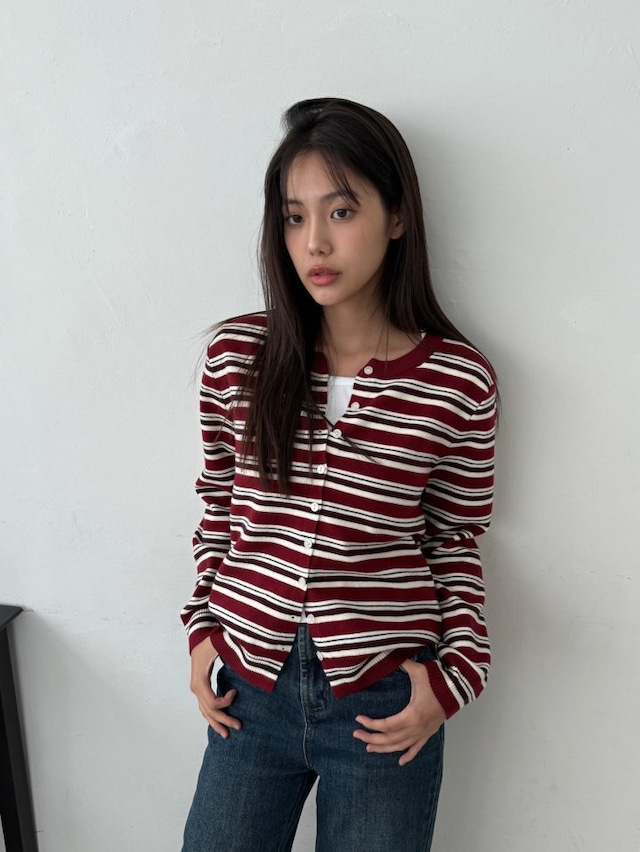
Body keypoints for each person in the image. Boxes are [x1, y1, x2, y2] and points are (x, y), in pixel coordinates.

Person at [180, 97, 497, 852]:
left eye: (342, 211)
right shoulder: (239, 359)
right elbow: (219, 505)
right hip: (248, 690)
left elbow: (454, 539)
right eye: (294, 217)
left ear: (397, 216)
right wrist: (201, 628)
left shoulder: (457, 382)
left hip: (384, 703)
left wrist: (454, 677)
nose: (315, 242)